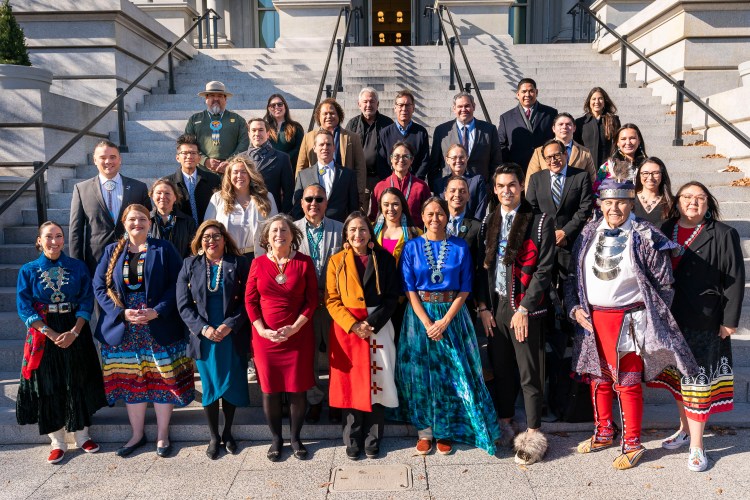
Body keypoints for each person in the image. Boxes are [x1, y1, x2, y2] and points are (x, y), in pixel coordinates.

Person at [564, 178, 697, 470]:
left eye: (621, 202)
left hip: (630, 319)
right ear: (599, 203)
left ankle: (633, 443)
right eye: (608, 202)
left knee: (626, 382)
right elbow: (573, 277)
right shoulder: (588, 232)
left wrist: (650, 316)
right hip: (592, 318)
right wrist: (574, 308)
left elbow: (664, 283)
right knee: (598, 378)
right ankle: (603, 432)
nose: (614, 208)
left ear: (631, 203)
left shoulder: (645, 234)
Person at [397, 197, 500, 456]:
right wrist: (427, 322)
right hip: (419, 316)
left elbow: (466, 287)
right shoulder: (411, 247)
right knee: (422, 374)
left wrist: (444, 321)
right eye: (429, 214)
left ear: (447, 215)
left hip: (452, 315)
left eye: (440, 213)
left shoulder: (460, 246)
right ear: (421, 217)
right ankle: (425, 431)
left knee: (450, 374)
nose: (435, 219)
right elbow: (409, 289)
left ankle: (445, 430)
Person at [93, 204, 194, 459]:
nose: (137, 223)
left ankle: (162, 434)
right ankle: (137, 435)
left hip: (157, 324)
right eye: (132, 219)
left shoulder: (164, 249)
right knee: (132, 383)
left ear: (149, 223)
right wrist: (121, 313)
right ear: (124, 223)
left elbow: (178, 285)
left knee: (163, 379)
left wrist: (157, 311)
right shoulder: (111, 251)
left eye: (142, 219)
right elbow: (99, 287)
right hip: (124, 327)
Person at [657, 182, 745, 472]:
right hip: (669, 319)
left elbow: (734, 277)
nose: (693, 202)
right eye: (687, 197)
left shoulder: (723, 234)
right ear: (677, 201)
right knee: (677, 380)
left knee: (697, 383)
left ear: (708, 204)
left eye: (700, 198)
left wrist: (729, 321)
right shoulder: (663, 227)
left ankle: (697, 445)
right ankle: (683, 429)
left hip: (704, 319)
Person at [475, 163, 556, 465]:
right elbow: (482, 268)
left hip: (525, 307)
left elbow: (544, 269)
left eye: (512, 185)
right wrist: (483, 307)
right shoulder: (489, 221)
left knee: (529, 373)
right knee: (503, 370)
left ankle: (533, 433)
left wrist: (524, 308)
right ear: (494, 190)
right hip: (495, 306)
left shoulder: (538, 221)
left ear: (521, 186)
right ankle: (505, 422)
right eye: (501, 186)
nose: (506, 190)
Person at [16, 222, 107, 464]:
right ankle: (56, 440)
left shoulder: (77, 267)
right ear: (39, 240)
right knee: (50, 382)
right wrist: (51, 333)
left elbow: (87, 300)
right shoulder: (28, 270)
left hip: (75, 325)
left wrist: (75, 332)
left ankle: (82, 435)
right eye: (49, 237)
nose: (54, 241)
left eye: (59, 236)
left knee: (78, 378)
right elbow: (24, 306)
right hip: (44, 329)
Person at [325, 212, 400, 460]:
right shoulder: (336, 262)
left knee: (377, 381)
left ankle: (373, 437)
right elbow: (332, 300)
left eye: (363, 229)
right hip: (347, 329)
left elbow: (392, 298)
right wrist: (354, 325)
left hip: (378, 325)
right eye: (353, 230)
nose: (358, 234)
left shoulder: (385, 260)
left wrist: (371, 323)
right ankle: (352, 436)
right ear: (346, 235)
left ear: (370, 234)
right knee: (352, 384)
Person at [245, 214, 318, 462]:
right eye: (274, 231)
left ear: (292, 234)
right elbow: (250, 301)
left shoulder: (304, 263)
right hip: (266, 340)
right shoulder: (257, 264)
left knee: (297, 390)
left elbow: (312, 301)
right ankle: (276, 439)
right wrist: (262, 329)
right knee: (270, 391)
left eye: (284, 230)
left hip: (298, 337)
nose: (279, 234)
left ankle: (296, 438)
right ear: (266, 237)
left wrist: (295, 327)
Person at [176, 220, 250, 459]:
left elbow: (249, 300)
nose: (211, 241)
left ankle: (228, 432)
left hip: (231, 335)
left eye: (216, 236)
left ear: (224, 239)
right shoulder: (189, 264)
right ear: (200, 240)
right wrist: (203, 329)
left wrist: (229, 325)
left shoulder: (238, 263)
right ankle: (213, 436)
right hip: (205, 337)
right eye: (206, 237)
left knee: (229, 385)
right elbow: (183, 304)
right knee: (209, 387)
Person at [293, 184, 345, 424]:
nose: (314, 203)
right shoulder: (291, 231)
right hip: (304, 304)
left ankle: (336, 400)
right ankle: (314, 400)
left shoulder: (340, 229)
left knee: (337, 354)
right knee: (309, 355)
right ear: (302, 203)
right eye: (309, 199)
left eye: (319, 199)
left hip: (334, 302)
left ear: (326, 202)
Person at [69, 140, 150, 275]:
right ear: (95, 160)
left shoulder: (138, 187)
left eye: (113, 157)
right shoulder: (81, 189)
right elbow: (75, 231)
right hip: (96, 260)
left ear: (120, 159)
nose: (108, 161)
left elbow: (148, 225)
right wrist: (76, 264)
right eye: (103, 157)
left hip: (133, 257)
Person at [295, 98, 367, 210]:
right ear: (319, 116)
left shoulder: (352, 138)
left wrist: (359, 195)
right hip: (314, 199)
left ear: (339, 115)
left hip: (343, 197)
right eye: (325, 113)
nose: (329, 116)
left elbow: (360, 168)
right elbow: (301, 167)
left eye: (332, 113)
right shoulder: (308, 138)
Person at [205, 154, 278, 261]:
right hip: (226, 258)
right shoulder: (218, 199)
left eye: (244, 172)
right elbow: (207, 230)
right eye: (235, 172)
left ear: (250, 175)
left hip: (257, 258)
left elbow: (275, 230)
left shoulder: (267, 197)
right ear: (229, 176)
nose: (239, 176)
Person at [429, 92, 502, 186]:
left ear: (474, 107)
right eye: (460, 106)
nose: (463, 109)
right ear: (454, 109)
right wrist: (436, 187)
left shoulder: (489, 130)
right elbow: (434, 163)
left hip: (480, 189)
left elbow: (496, 162)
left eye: (467, 106)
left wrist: (490, 188)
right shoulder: (442, 131)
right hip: (449, 189)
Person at [293, 129, 359, 223]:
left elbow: (353, 208)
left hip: (339, 228)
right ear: (314, 148)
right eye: (321, 144)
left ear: (334, 147)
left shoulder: (348, 175)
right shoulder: (303, 175)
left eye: (328, 144)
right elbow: (297, 207)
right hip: (311, 228)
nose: (325, 148)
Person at [185, 81, 249, 175]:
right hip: (202, 171)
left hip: (231, 171)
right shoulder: (195, 119)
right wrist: (204, 160)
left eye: (219, 96)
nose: (215, 99)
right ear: (206, 98)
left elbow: (244, 143)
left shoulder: (238, 120)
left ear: (225, 98)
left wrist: (230, 161)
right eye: (211, 95)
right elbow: (187, 144)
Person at [497, 78, 557, 174]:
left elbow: (556, 138)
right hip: (517, 169)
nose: (527, 95)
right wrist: (509, 165)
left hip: (544, 166)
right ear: (518, 94)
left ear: (536, 92)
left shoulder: (551, 113)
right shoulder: (506, 118)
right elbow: (501, 144)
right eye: (524, 91)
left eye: (531, 91)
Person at [525, 112, 596, 187]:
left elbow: (592, 180)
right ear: (553, 128)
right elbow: (530, 181)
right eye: (560, 124)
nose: (564, 127)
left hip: (576, 197)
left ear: (574, 128)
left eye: (568, 124)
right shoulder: (539, 152)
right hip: (546, 197)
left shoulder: (585, 153)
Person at [345, 87, 394, 194]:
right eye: (365, 102)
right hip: (360, 178)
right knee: (361, 209)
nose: (368, 105)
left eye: (372, 101)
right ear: (359, 104)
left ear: (378, 104)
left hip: (383, 177)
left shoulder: (388, 123)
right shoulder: (352, 124)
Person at [166, 134, 221, 227]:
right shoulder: (168, 183)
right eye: (185, 153)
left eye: (193, 153)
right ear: (177, 158)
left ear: (199, 158)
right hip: (180, 235)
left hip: (207, 233)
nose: (189, 156)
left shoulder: (213, 180)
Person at [369, 141, 430, 223]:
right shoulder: (380, 187)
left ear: (411, 160)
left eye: (405, 156)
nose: (401, 160)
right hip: (387, 234)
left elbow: (428, 215)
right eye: (396, 156)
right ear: (391, 159)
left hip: (414, 233)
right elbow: (373, 217)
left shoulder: (421, 187)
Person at [377, 90, 430, 180]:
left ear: (413, 108)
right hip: (391, 185)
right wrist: (391, 181)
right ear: (395, 108)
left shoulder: (421, 132)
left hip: (414, 184)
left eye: (407, 105)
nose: (404, 109)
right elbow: (381, 162)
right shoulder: (385, 133)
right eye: (400, 105)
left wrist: (414, 181)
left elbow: (424, 161)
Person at [246, 117, 295, 214]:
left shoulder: (282, 158)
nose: (257, 134)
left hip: (271, 211)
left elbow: (289, 191)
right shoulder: (240, 158)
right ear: (249, 134)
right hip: (245, 211)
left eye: (261, 130)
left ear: (268, 134)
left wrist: (284, 215)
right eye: (254, 130)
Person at [433, 143, 489, 221]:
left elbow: (481, 209)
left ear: (467, 158)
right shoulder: (439, 184)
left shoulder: (477, 181)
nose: (458, 161)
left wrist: (474, 229)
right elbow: (438, 209)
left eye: (462, 157)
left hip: (471, 229)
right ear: (447, 160)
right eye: (454, 158)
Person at [148, 178, 197, 258]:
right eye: (158, 193)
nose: (163, 196)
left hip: (180, 268)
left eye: (167, 193)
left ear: (175, 197)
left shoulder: (188, 222)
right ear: (152, 196)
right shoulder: (145, 220)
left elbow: (193, 249)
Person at [575, 87, 621, 168]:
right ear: (589, 101)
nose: (597, 102)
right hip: (586, 168)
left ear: (605, 101)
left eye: (600, 99)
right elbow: (576, 147)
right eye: (594, 99)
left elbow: (617, 144)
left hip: (607, 169)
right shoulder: (580, 123)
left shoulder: (613, 120)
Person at [594, 123, 647, 192]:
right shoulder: (608, 167)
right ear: (617, 143)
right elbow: (596, 192)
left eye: (632, 138)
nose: (628, 142)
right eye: (623, 139)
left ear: (639, 141)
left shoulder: (647, 165)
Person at [265, 93, 304, 167]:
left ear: (285, 106)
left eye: (280, 104)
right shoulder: (264, 128)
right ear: (269, 109)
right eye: (273, 105)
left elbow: (299, 149)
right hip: (269, 169)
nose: (276, 107)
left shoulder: (296, 127)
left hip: (290, 168)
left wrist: (283, 160)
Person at [634, 157, 674, 226]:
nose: (650, 178)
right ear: (639, 176)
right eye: (645, 173)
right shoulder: (629, 200)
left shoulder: (672, 202)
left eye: (655, 173)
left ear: (662, 175)